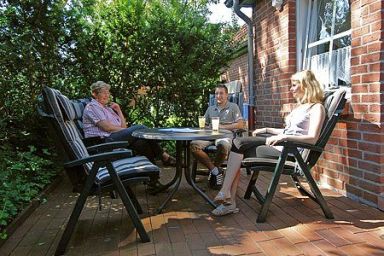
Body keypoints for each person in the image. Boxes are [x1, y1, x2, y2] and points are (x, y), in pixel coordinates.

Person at [211, 70, 325, 216]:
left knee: (238, 145)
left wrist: (285, 139)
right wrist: (267, 129)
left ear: (306, 86)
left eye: (294, 85)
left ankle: (227, 196)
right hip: (280, 145)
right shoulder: (300, 107)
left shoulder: (317, 108)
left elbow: (312, 138)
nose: (291, 89)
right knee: (237, 149)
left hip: (288, 152)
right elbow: (288, 131)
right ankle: (228, 200)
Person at [82, 81, 175, 166]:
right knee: (140, 127)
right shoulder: (92, 107)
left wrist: (118, 110)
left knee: (141, 143)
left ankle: (153, 178)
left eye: (108, 92)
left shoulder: (107, 108)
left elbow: (123, 127)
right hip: (104, 142)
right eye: (103, 93)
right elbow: (107, 128)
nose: (107, 95)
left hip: (113, 137)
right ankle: (163, 152)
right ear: (95, 94)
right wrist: (130, 131)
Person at [191, 84, 244, 189]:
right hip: (209, 136)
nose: (218, 96)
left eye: (221, 93)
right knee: (193, 145)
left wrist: (222, 126)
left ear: (226, 95)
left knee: (223, 146)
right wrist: (206, 127)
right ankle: (215, 171)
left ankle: (214, 172)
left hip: (225, 135)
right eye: (216, 93)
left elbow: (240, 124)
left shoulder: (233, 107)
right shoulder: (211, 108)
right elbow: (204, 123)